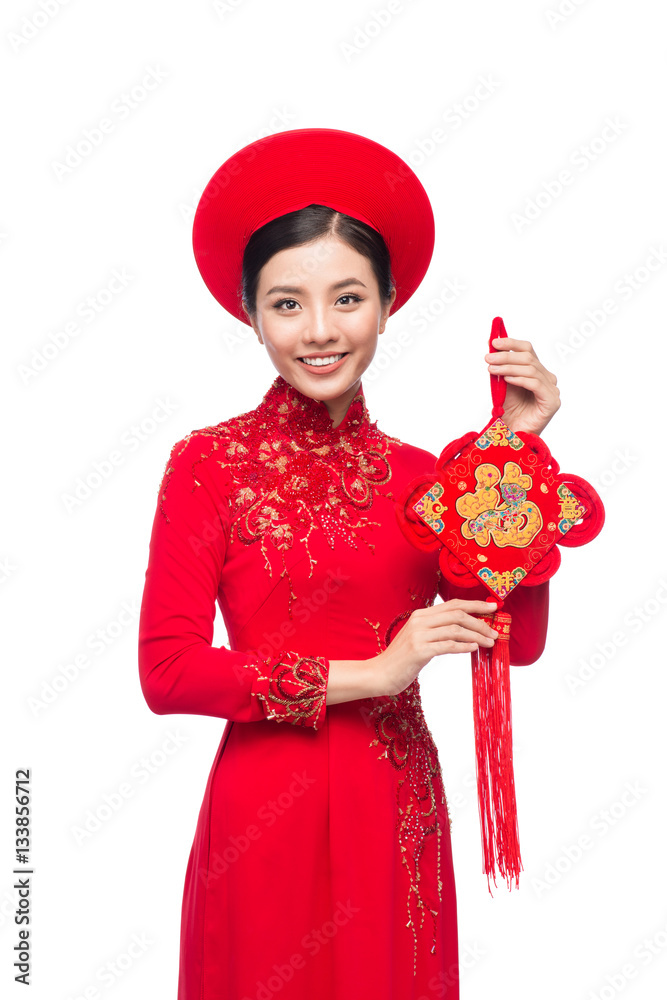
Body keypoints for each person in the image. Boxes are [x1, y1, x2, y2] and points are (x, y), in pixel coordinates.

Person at [137, 128, 561, 1000]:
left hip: (391, 801)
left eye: (348, 298)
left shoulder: (427, 478)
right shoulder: (206, 464)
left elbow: (510, 647)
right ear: (249, 312)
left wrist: (510, 461)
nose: (320, 331)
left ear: (387, 305)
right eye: (287, 304)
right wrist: (373, 671)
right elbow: (168, 671)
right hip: (263, 812)